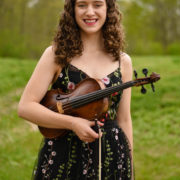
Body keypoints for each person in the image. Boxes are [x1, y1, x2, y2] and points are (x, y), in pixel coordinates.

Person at [18, 0, 134, 179]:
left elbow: (124, 119)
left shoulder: (122, 61)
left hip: (111, 154)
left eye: (97, 4)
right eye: (82, 5)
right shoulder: (56, 54)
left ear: (108, 9)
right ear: (71, 10)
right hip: (65, 154)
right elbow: (25, 107)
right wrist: (72, 123)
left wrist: (129, 167)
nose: (90, 12)